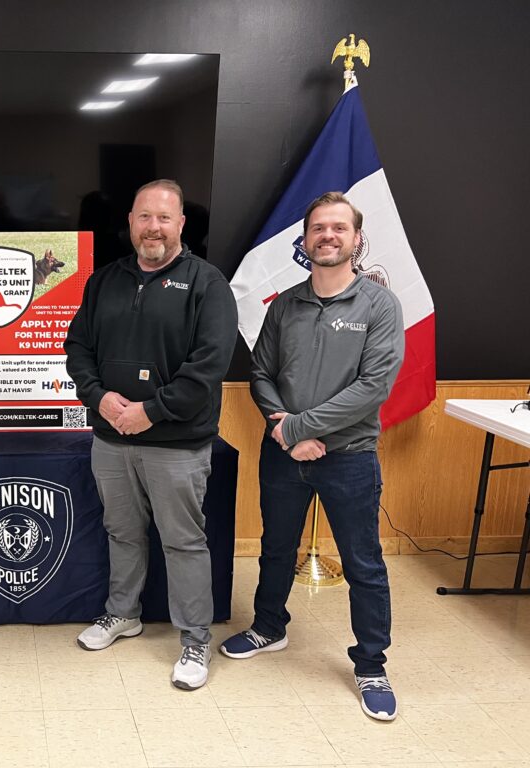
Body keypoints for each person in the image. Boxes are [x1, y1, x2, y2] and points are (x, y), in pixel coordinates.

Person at [219, 191, 404, 721]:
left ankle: (370, 662)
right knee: (276, 548)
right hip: (283, 454)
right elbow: (261, 375)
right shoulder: (286, 306)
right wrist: (286, 431)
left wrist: (302, 427)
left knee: (364, 564)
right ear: (304, 241)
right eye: (319, 228)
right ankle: (268, 628)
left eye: (338, 228)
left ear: (356, 238)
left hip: (348, 456)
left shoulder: (379, 305)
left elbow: (374, 386)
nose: (328, 235)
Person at [64, 179, 238, 690]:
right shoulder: (104, 281)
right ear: (131, 222)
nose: (153, 227)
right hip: (111, 438)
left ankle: (195, 640)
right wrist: (99, 398)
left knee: (183, 542)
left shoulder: (208, 284)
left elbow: (208, 369)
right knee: (122, 532)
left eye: (164, 217)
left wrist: (151, 411)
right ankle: (124, 613)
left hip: (176, 445)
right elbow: (78, 350)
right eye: (144, 217)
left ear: (182, 223)